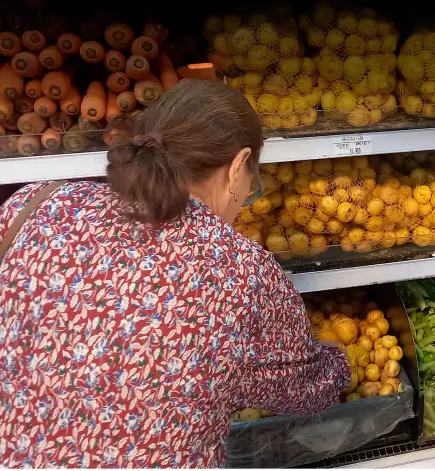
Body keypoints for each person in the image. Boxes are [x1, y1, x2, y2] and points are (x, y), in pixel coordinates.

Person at [0, 79, 351, 468]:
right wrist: (339, 360)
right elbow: (305, 390)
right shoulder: (244, 272)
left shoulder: (36, 204)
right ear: (237, 167)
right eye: (252, 176)